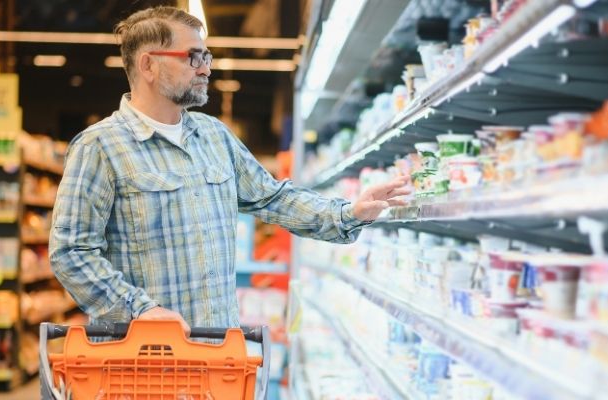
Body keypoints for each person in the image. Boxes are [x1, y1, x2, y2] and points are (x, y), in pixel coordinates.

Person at [49, 6, 410, 333]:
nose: (206, 67)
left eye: (206, 56)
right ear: (148, 65)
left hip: (219, 357)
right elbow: (71, 252)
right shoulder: (99, 147)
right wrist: (139, 310)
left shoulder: (214, 137)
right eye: (192, 57)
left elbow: (273, 197)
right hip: (144, 362)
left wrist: (348, 212)